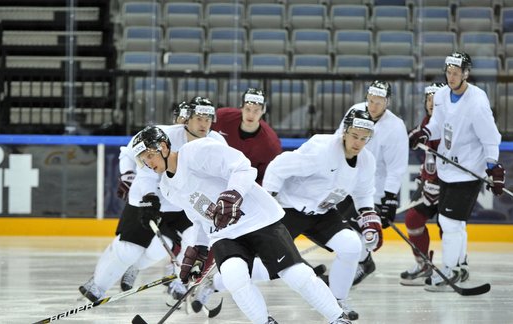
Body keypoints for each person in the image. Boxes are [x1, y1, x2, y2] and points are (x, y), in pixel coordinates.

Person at [134, 126, 352, 324]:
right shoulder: (167, 187)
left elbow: (243, 168)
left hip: (258, 219)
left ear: (163, 147)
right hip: (223, 234)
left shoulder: (196, 152)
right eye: (144, 160)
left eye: (150, 156)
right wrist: (198, 251)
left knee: (294, 274)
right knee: (233, 275)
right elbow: (199, 219)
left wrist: (232, 195)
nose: (148, 163)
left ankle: (338, 318)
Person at [79, 97, 226, 302]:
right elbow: (139, 164)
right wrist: (141, 189)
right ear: (187, 119)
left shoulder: (216, 143)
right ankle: (98, 284)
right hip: (149, 198)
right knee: (129, 249)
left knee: (161, 248)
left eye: (208, 119)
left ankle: (159, 275)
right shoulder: (161, 136)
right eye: (199, 118)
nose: (204, 124)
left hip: (181, 205)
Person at [259, 109, 381, 320]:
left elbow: (363, 195)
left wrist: (370, 221)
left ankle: (337, 301)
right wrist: (268, 200)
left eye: (364, 138)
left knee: (352, 245)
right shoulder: (321, 150)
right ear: (345, 131)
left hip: (323, 212)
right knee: (262, 267)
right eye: (354, 135)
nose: (358, 142)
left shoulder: (367, 161)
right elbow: (278, 167)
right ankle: (214, 284)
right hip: (289, 209)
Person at [409, 52, 505, 292]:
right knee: (455, 224)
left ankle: (448, 271)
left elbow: (491, 138)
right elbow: (437, 125)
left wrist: (493, 167)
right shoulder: (441, 95)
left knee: (449, 222)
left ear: (466, 74)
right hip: (446, 170)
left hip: (468, 171)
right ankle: (460, 267)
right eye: (448, 72)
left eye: (456, 73)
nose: (451, 77)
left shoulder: (477, 102)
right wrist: (424, 134)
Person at [334, 80, 409, 285]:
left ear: (387, 102)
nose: (373, 105)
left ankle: (363, 262)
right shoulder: (355, 111)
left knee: (358, 228)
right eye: (370, 100)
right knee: (335, 226)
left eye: (378, 101)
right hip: (346, 182)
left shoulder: (395, 127)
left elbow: (396, 167)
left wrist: (390, 198)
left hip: (373, 190)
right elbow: (337, 140)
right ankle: (361, 261)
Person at [399, 82, 447, 286]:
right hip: (429, 188)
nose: (431, 103)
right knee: (412, 220)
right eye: (429, 99)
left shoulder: (451, 124)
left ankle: (455, 265)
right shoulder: (426, 123)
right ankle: (423, 264)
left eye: (436, 100)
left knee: (449, 228)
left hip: (450, 187)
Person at [212, 88, 282, 185]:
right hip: (213, 176)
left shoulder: (271, 144)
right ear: (241, 107)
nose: (251, 115)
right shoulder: (221, 117)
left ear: (263, 111)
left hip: (243, 187)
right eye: (248, 109)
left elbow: (267, 178)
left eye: (256, 110)